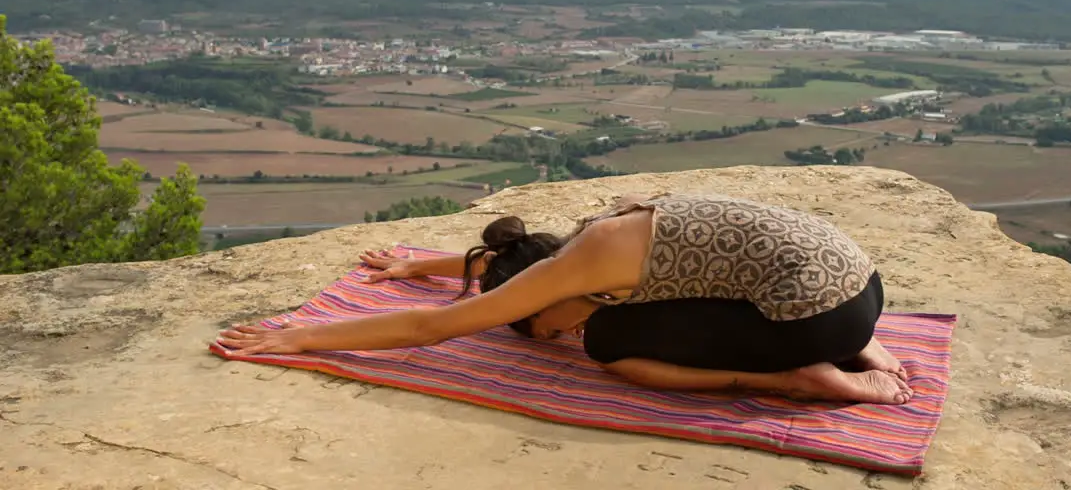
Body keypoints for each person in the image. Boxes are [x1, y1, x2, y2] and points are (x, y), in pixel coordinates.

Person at [216, 193, 913, 405]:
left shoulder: (575, 271)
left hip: (815, 320)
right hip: (862, 286)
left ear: (540, 297)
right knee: (681, 302)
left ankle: (803, 379)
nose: (559, 338)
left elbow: (435, 328)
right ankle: (856, 346)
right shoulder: (594, 238)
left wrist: (302, 339)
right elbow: (504, 256)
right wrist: (416, 264)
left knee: (616, 343)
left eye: (544, 331)